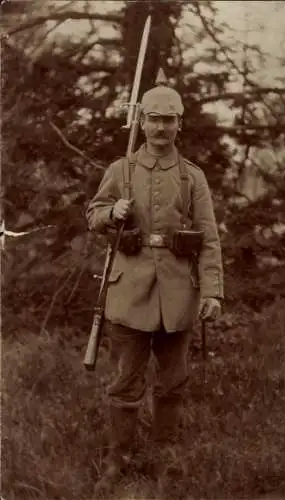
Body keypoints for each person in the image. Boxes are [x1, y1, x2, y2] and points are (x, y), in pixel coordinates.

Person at [86, 76, 224, 481]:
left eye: (169, 120)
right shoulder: (121, 169)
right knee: (125, 380)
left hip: (179, 294)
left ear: (180, 124)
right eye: (153, 119)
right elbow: (94, 213)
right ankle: (118, 458)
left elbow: (210, 239)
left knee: (173, 382)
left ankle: (165, 456)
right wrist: (112, 213)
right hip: (127, 290)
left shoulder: (192, 177)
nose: (160, 128)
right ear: (141, 122)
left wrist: (212, 291)